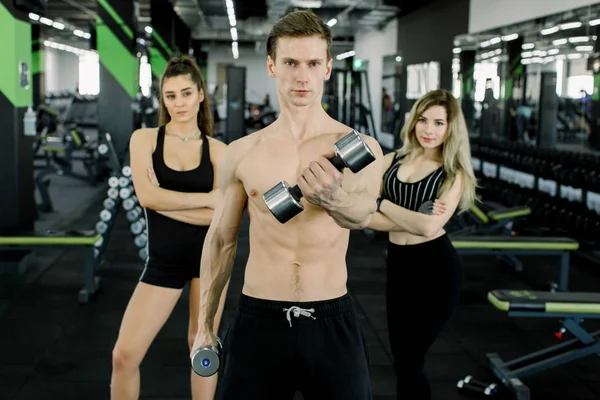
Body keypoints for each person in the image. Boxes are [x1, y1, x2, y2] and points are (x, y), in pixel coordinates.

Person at [190, 9, 384, 400]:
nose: (302, 75)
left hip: (332, 317)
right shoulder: (244, 153)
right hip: (259, 318)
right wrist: (204, 326)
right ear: (272, 66)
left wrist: (334, 198)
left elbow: (362, 215)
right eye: (291, 63)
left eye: (313, 63)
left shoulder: (361, 147)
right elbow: (220, 242)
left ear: (328, 68)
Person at [111, 55, 228, 400]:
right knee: (123, 356)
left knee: (201, 350)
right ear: (162, 99)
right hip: (163, 262)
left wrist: (166, 197)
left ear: (201, 95)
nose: (179, 103)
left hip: (210, 260)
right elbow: (147, 198)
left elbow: (224, 219)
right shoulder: (145, 139)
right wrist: (208, 199)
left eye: (187, 93)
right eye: (171, 95)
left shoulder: (219, 151)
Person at [367, 89, 478, 400]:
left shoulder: (452, 174)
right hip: (399, 266)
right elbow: (363, 215)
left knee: (411, 359)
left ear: (451, 128)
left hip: (436, 269)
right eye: (423, 120)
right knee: (402, 360)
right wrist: (410, 215)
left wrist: (382, 202)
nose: (429, 130)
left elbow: (429, 227)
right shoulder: (392, 160)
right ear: (413, 121)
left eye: (439, 123)